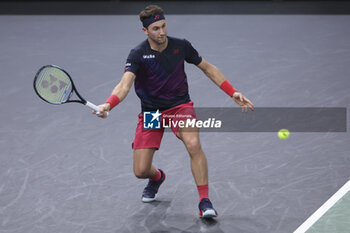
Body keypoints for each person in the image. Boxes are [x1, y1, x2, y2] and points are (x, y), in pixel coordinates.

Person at [94, 5, 254, 218]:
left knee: (194, 143)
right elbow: (124, 85)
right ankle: (157, 177)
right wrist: (108, 104)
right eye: (155, 29)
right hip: (152, 112)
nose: (161, 32)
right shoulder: (138, 54)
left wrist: (232, 92)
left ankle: (204, 201)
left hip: (179, 107)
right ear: (145, 31)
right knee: (141, 171)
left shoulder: (181, 46)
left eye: (163, 26)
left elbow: (208, 68)